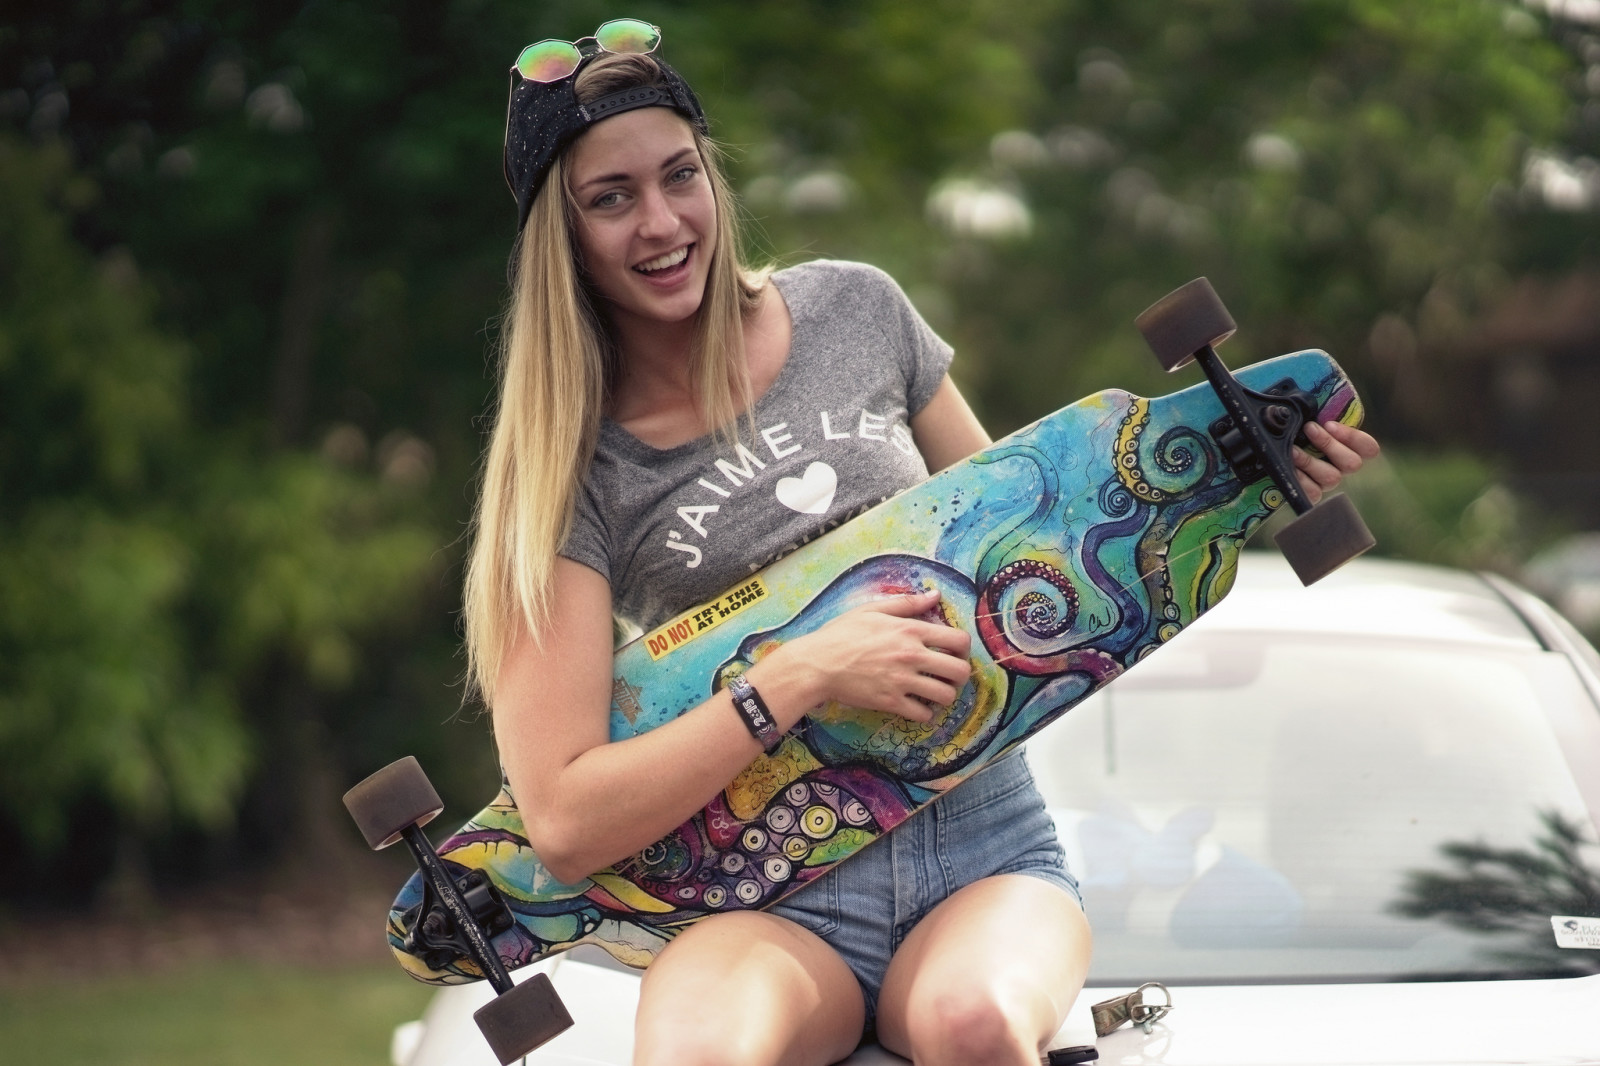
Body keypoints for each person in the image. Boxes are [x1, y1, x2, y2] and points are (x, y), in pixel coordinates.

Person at [463, 20, 1379, 1066]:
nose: (662, 220)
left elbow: (1035, 539)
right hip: (766, 899)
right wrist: (800, 673)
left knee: (975, 1024)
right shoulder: (567, 471)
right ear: (562, 237)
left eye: (680, 176)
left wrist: (1231, 478)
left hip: (984, 853)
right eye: (609, 197)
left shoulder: (856, 309)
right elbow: (567, 820)